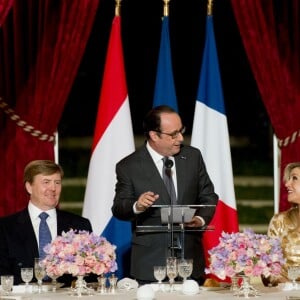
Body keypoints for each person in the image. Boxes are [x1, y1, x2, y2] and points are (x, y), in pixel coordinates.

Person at [111, 105, 218, 285]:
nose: (181, 138)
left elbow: (208, 196)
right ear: (154, 135)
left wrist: (199, 219)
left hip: (189, 261)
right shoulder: (129, 166)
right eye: (174, 134)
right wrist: (137, 205)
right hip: (151, 263)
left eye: (181, 131)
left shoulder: (192, 157)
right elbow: (119, 207)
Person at [0, 160, 93, 286]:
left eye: (57, 182)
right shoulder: (5, 227)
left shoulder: (80, 225)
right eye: (46, 182)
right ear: (29, 187)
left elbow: (91, 275)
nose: (53, 188)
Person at [266, 162, 300, 285]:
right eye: (288, 179)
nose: (287, 184)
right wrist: (289, 286)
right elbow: (268, 265)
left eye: (294, 178)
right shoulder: (280, 221)